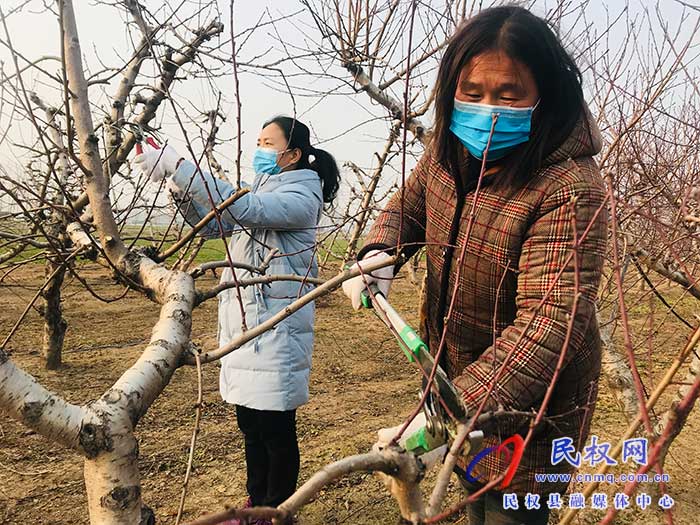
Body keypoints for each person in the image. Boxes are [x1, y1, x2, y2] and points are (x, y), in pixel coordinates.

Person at [342, 6, 608, 525]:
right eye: (472, 92)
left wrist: (448, 409)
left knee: (506, 507)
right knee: (465, 490)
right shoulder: (449, 148)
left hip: (530, 409)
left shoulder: (568, 186)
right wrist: (380, 251)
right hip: (454, 376)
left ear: (544, 95)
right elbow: (411, 203)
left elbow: (550, 321)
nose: (487, 110)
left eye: (508, 95)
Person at [134, 116, 340, 524]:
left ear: (293, 154)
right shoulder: (262, 188)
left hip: (276, 328)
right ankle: (254, 504)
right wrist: (175, 184)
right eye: (258, 141)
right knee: (249, 421)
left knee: (275, 428)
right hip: (246, 325)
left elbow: (245, 208)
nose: (259, 148)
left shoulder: (302, 194)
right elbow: (215, 223)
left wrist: (181, 166)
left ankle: (277, 510)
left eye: (269, 142)